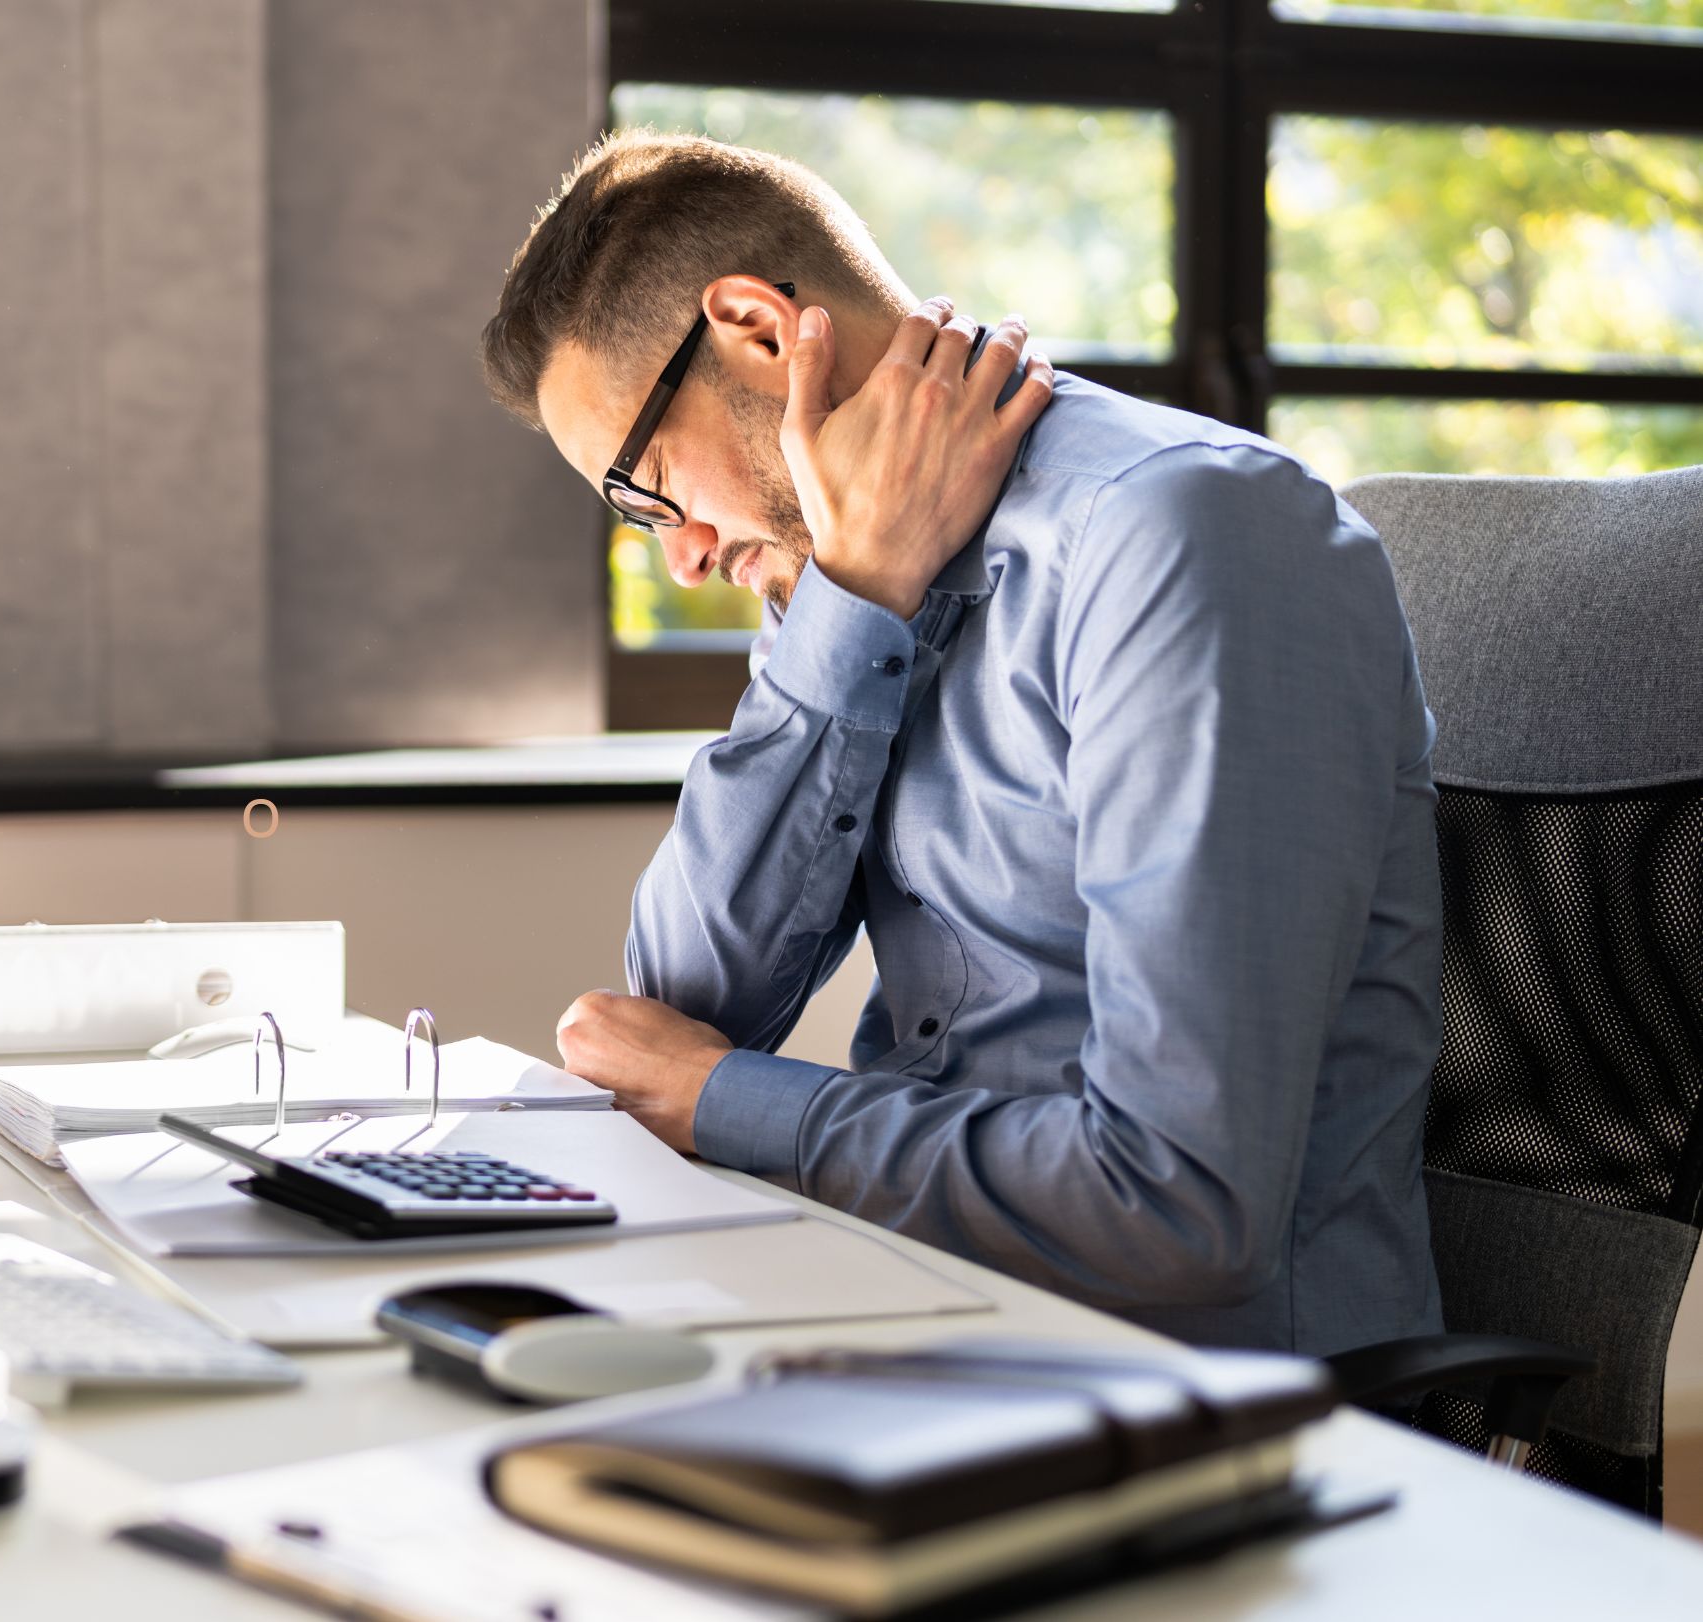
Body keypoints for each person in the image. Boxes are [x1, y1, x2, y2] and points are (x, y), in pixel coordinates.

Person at [485, 130, 1440, 1355]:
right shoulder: (838, 572)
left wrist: (728, 1101)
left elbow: (1180, 1200)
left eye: (646, 485)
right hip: (924, 1302)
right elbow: (679, 1000)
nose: (677, 552)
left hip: (1180, 1381)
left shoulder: (1180, 537)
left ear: (759, 331)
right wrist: (853, 596)